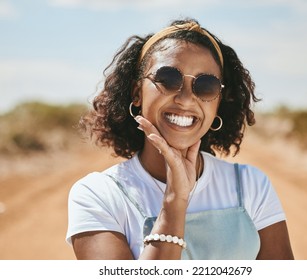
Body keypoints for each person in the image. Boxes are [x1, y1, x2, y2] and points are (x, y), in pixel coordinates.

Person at [66, 18, 294, 260]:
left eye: (206, 85)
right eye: (167, 79)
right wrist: (174, 203)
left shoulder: (250, 186)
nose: (185, 99)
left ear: (218, 103)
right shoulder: (99, 195)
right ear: (136, 93)